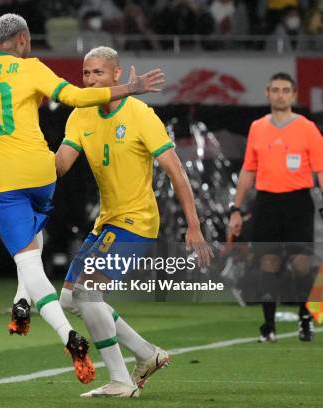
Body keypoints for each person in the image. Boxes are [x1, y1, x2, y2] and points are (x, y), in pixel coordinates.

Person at [0, 13, 165, 384]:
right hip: (43, 174)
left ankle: (65, 334)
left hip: (2, 181)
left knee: (28, 261)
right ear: (23, 40)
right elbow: (74, 97)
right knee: (37, 236)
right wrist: (128, 88)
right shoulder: (32, 68)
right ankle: (21, 300)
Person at [53, 46, 213, 398]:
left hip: (136, 221)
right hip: (107, 222)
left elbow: (177, 172)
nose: (91, 80)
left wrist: (194, 225)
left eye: (98, 73)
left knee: (87, 292)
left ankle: (121, 380)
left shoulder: (140, 114)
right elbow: (60, 165)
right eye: (86, 74)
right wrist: (21, 153)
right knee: (69, 301)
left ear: (116, 75)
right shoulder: (81, 115)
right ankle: (146, 353)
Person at [228, 72, 323, 343]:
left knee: (302, 263)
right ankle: (268, 327)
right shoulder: (258, 127)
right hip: (267, 201)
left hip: (298, 201)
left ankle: (306, 317)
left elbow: (320, 170)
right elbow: (248, 170)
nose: (280, 94)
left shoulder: (307, 128)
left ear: (293, 95)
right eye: (275, 90)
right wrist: (236, 208)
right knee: (268, 260)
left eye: (285, 90)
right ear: (267, 93)